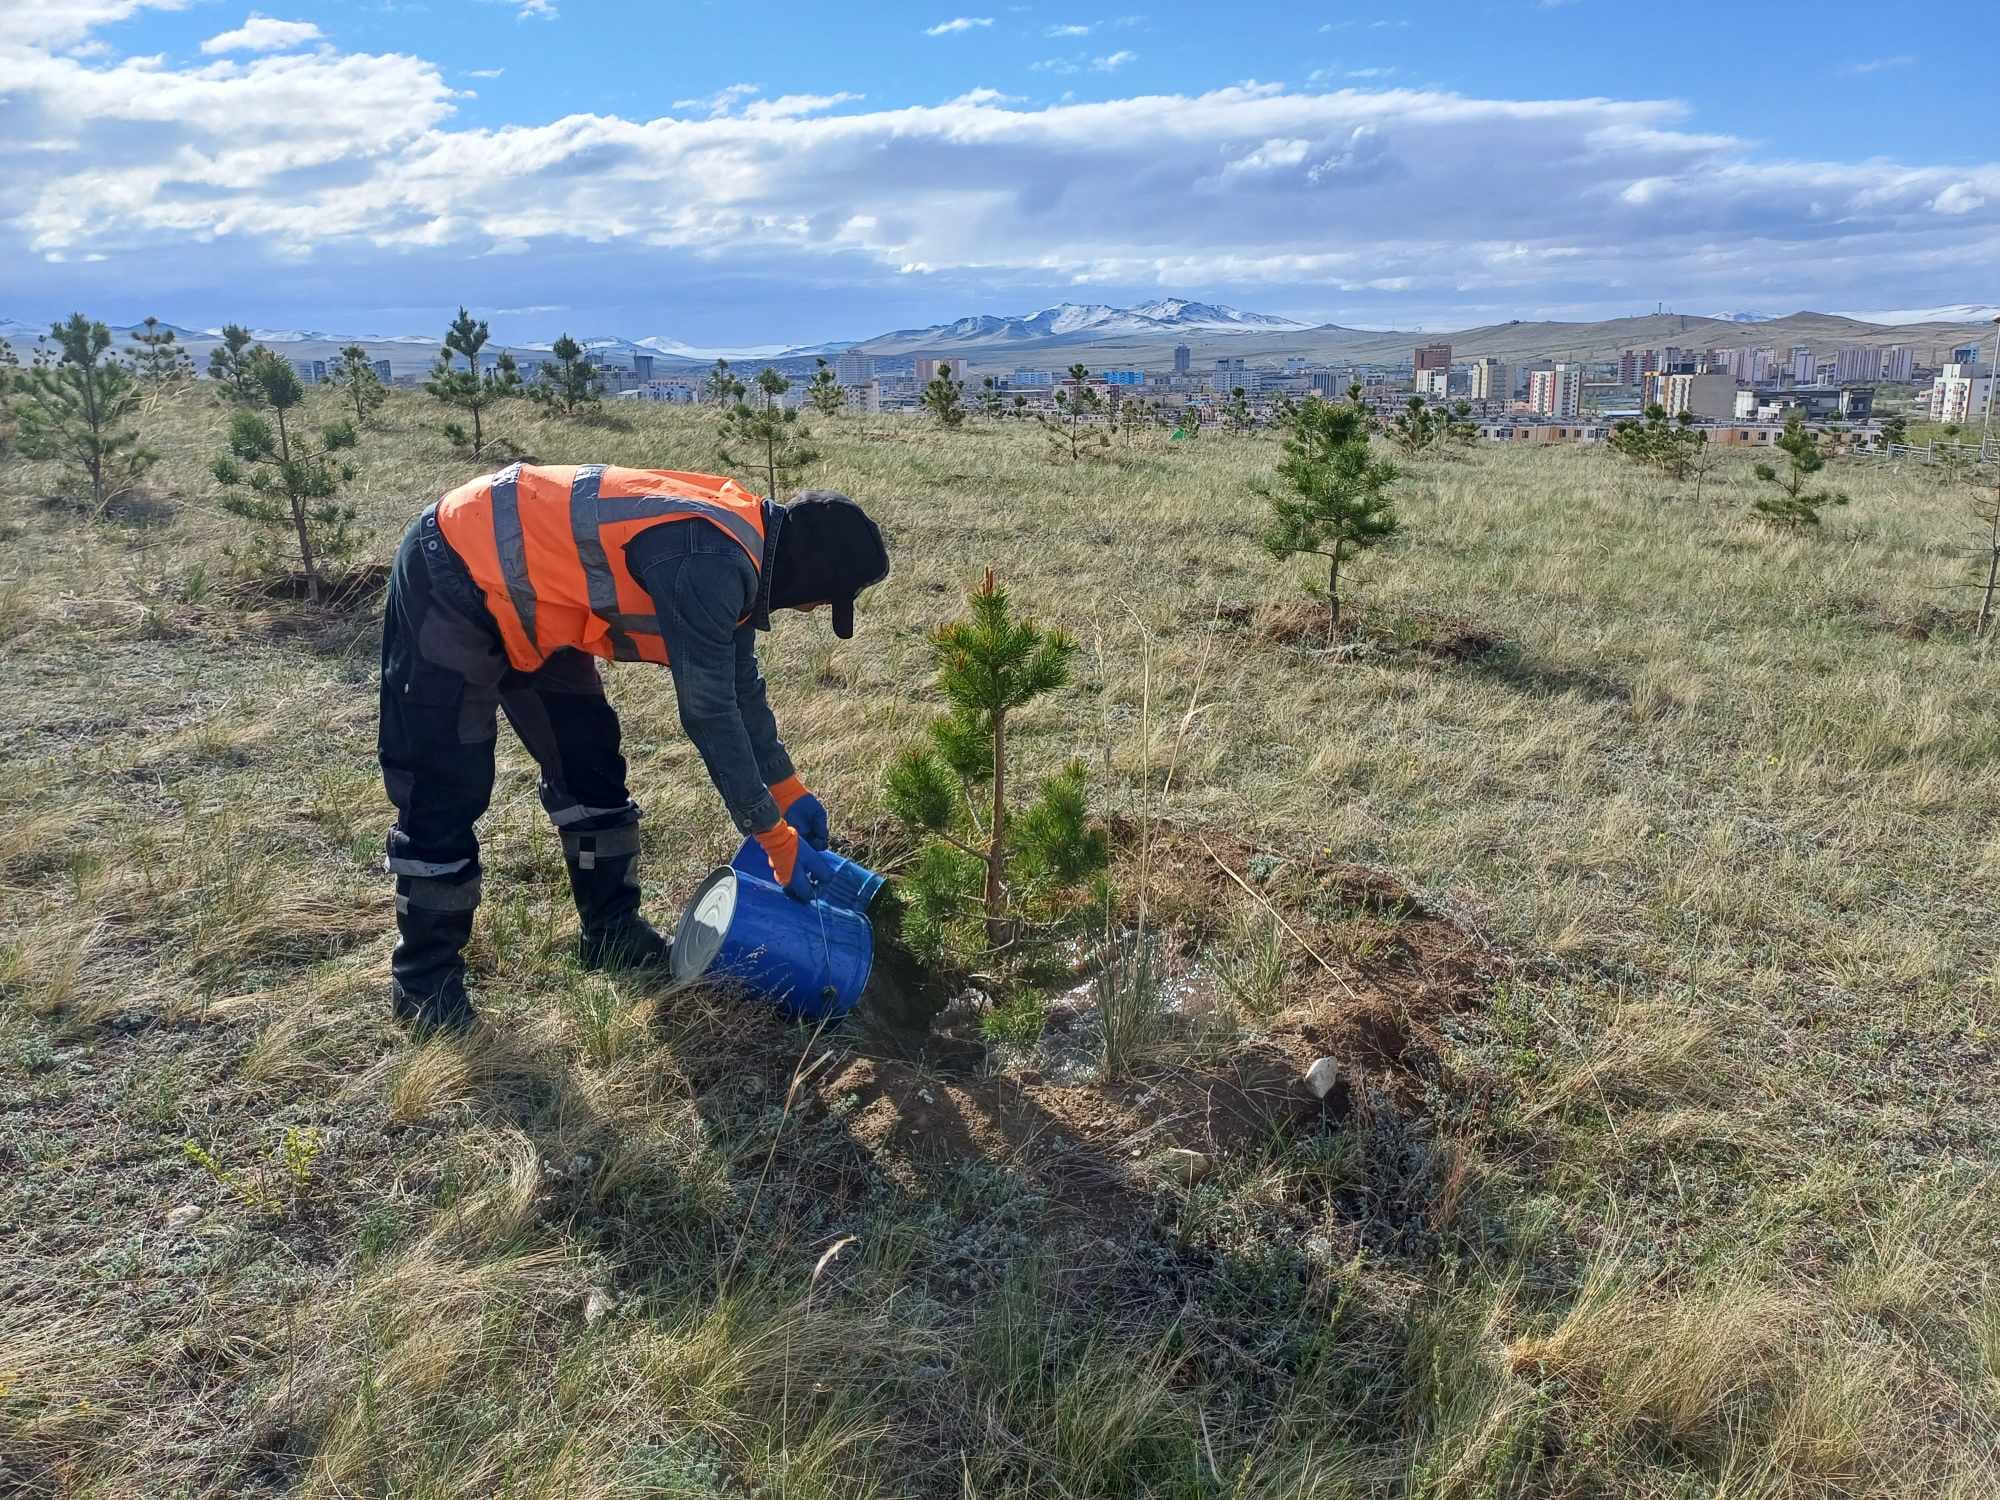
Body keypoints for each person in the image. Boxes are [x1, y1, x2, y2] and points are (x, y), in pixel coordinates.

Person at [377, 462, 890, 1031]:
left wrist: (788, 790)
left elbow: (742, 691)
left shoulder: (752, 551)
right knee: (445, 785)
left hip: (544, 606)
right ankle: (423, 984)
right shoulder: (709, 562)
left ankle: (610, 932)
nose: (815, 611)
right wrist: (772, 837)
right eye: (822, 600)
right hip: (456, 572)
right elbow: (709, 711)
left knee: (591, 764)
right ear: (810, 574)